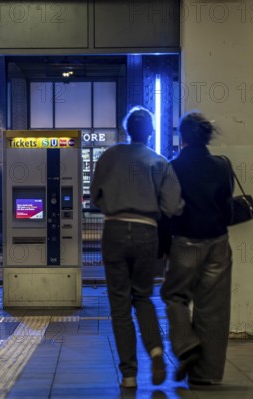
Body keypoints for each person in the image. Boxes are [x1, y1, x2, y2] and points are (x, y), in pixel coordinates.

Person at [91, 106, 184, 389]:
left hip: (115, 229)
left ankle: (129, 374)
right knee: (143, 297)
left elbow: (95, 195)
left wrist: (112, 205)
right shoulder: (159, 162)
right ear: (151, 132)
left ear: (126, 130)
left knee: (120, 305)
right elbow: (173, 206)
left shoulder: (109, 157)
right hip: (147, 231)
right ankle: (156, 351)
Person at [161, 112, 234, 386]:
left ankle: (187, 345)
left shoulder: (173, 167)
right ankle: (208, 375)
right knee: (214, 309)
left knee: (174, 296)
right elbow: (226, 202)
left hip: (185, 241)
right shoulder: (221, 166)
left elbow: (167, 210)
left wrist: (163, 245)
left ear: (182, 136)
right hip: (218, 241)